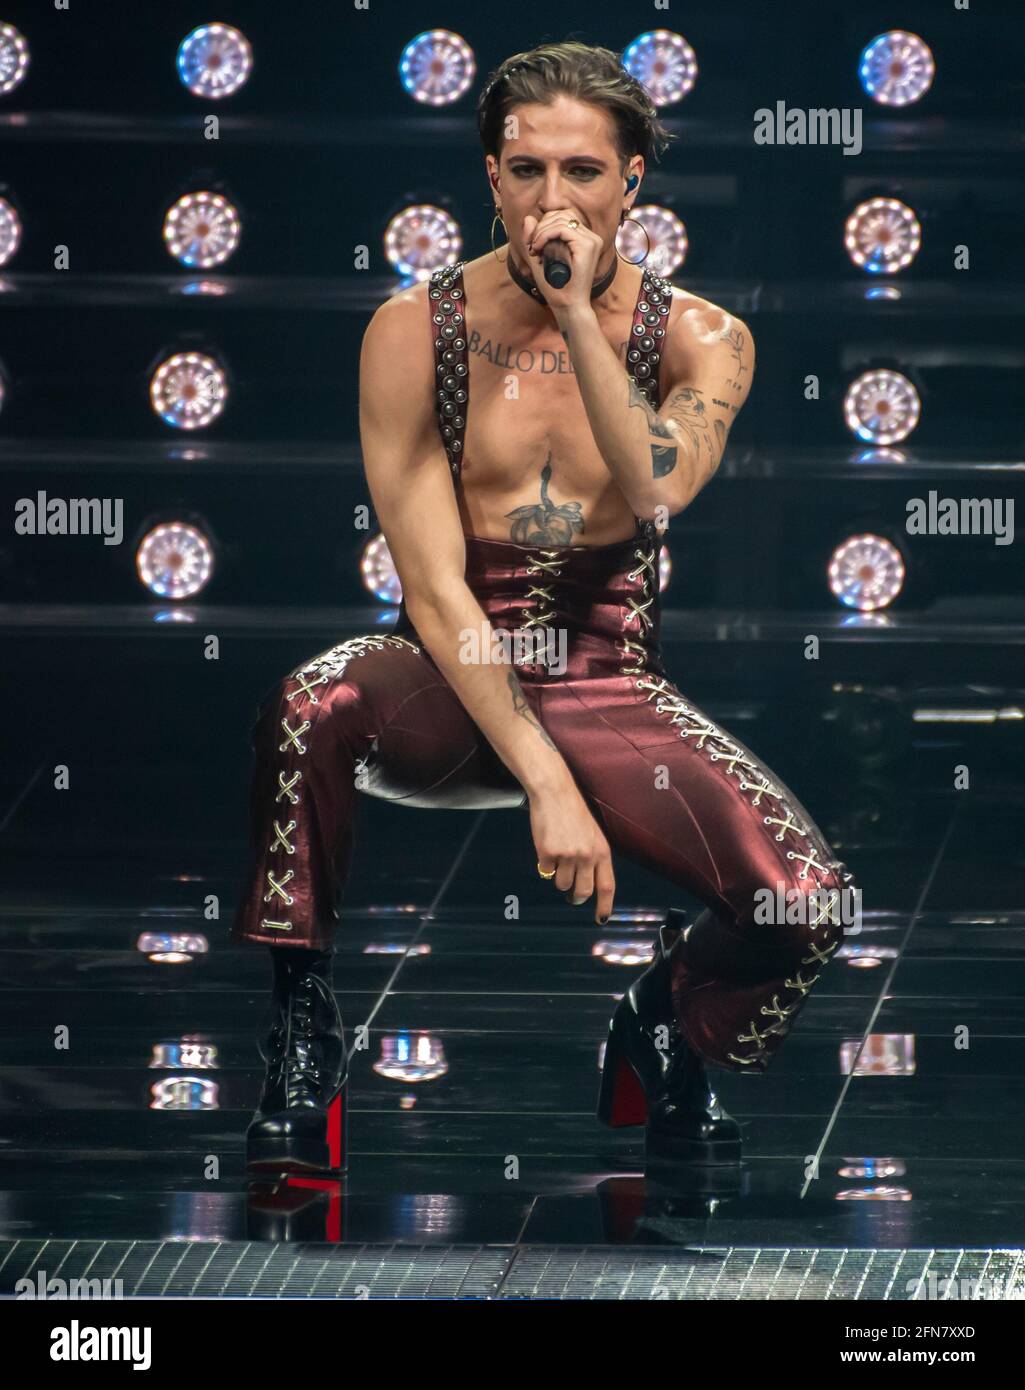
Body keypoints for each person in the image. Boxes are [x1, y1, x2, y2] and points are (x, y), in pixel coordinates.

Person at [232, 40, 855, 1176]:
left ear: (630, 186)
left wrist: (576, 319)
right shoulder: (411, 329)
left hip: (601, 671)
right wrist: (543, 779)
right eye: (525, 172)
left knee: (804, 909)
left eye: (580, 173)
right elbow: (428, 587)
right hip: (451, 663)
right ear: (488, 176)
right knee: (311, 702)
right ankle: (300, 1022)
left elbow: (660, 482)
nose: (549, 203)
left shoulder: (705, 338)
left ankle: (659, 1020)